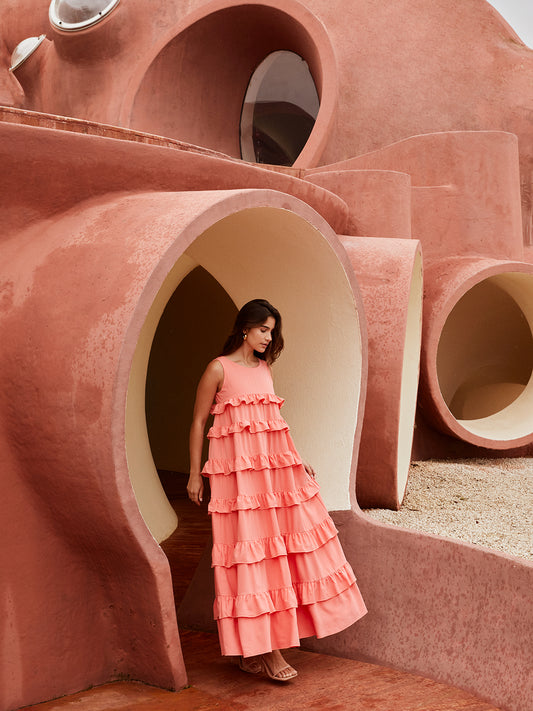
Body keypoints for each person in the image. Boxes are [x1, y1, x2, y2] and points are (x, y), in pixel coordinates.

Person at [187, 299, 367, 682]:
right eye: (264, 329)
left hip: (273, 474)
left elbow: (273, 422)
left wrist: (296, 460)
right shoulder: (219, 369)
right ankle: (269, 652)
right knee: (249, 557)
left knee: (283, 549)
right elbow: (199, 420)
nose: (269, 337)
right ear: (245, 328)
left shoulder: (265, 370)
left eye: (272, 331)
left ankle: (253, 649)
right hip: (237, 480)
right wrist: (193, 474)